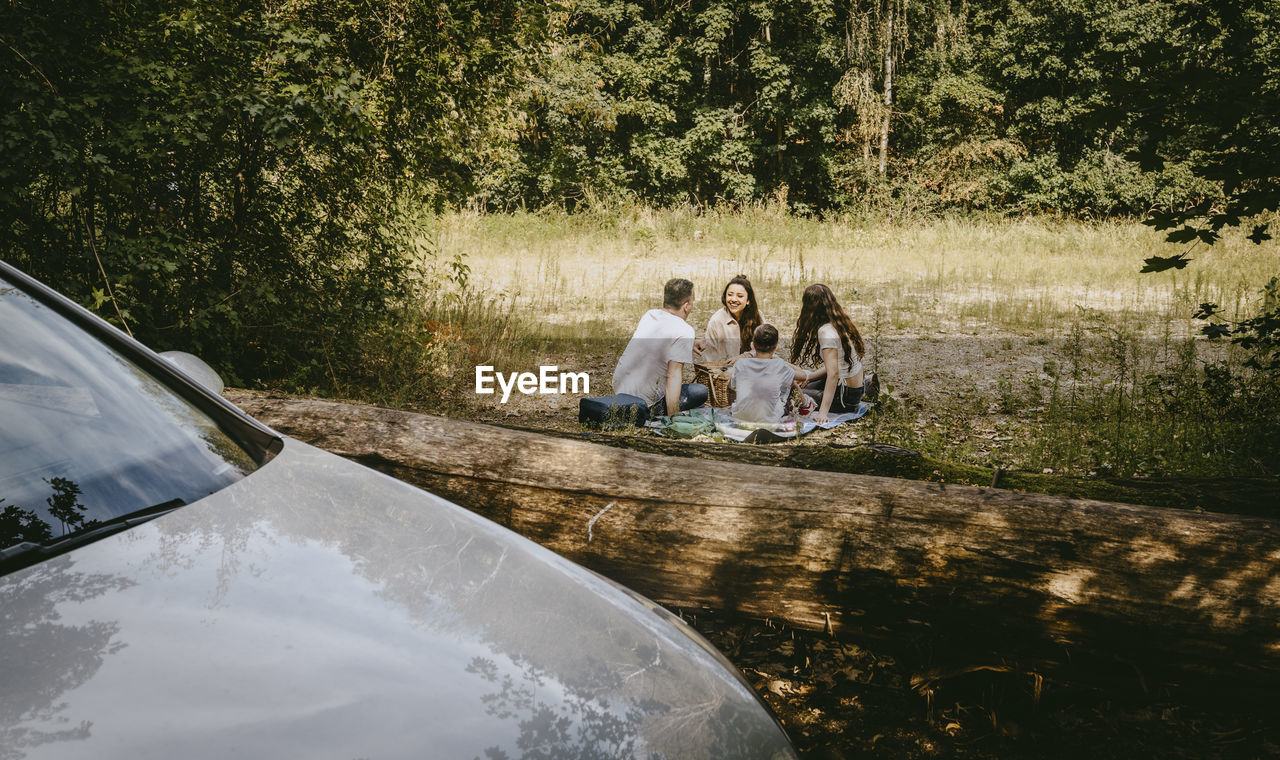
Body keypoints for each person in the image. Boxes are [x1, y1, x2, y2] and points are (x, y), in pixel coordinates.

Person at [613, 278, 709, 417]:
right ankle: (653, 412)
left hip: (620, 390)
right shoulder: (684, 330)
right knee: (700, 391)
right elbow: (673, 375)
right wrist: (673, 417)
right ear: (686, 306)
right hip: (645, 403)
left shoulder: (650, 315)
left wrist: (690, 342)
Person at [790, 283, 874, 424]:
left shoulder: (826, 332)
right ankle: (866, 386)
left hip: (845, 399)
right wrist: (809, 378)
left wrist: (823, 412)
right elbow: (834, 366)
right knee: (804, 385)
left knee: (792, 393)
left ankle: (866, 387)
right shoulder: (838, 324)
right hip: (852, 389)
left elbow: (833, 374)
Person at [728, 324, 813, 425]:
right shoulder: (779, 365)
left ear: (752, 345)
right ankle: (805, 406)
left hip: (740, 417)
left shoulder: (741, 363)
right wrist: (785, 363)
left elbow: (731, 385)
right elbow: (803, 376)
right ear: (776, 346)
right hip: (770, 419)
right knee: (790, 382)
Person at [695, 275, 764, 363]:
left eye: (740, 296)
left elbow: (766, 349)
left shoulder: (758, 315)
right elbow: (711, 359)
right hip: (726, 372)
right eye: (730, 295)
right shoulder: (717, 321)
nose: (734, 299)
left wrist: (745, 356)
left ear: (748, 300)